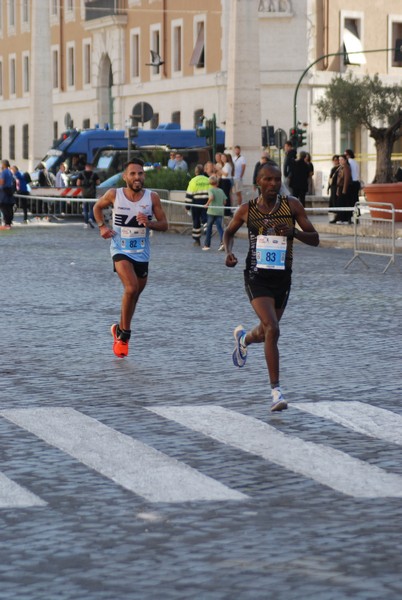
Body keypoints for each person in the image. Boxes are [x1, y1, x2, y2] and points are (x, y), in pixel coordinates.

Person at [223, 163, 319, 412]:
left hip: (282, 279)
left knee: (267, 332)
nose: (274, 184)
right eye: (268, 179)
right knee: (273, 328)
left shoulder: (292, 205)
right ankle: (276, 391)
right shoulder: (247, 209)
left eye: (277, 179)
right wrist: (229, 252)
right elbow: (229, 232)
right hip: (256, 277)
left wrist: (294, 233)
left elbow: (315, 238)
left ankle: (244, 338)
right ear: (258, 182)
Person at [92, 158, 168, 358]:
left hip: (142, 253)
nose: (137, 177)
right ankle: (124, 336)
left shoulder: (152, 198)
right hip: (120, 249)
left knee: (134, 296)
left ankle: (118, 329)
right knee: (131, 288)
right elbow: (96, 208)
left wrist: (149, 223)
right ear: (125, 177)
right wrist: (102, 227)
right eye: (133, 174)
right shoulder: (114, 194)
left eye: (140, 173)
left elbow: (165, 224)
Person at [185, 164, 210, 246]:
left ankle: (197, 240)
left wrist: (187, 207)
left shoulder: (193, 181)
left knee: (196, 221)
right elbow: (211, 192)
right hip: (206, 203)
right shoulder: (208, 180)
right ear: (203, 171)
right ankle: (207, 229)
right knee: (205, 218)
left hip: (196, 204)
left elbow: (189, 195)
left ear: (196, 172)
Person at [203, 175, 226, 251]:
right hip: (219, 211)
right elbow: (224, 201)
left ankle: (207, 245)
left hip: (212, 211)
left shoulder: (210, 190)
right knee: (220, 228)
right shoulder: (221, 191)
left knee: (209, 228)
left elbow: (211, 197)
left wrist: (207, 204)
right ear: (217, 182)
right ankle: (223, 243)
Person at [77, 163, 100, 229]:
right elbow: (98, 183)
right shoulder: (94, 174)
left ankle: (86, 223)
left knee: (85, 209)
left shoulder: (81, 174)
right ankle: (91, 218)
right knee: (92, 208)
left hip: (84, 193)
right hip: (92, 193)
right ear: (91, 167)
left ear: (85, 167)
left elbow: (78, 183)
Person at [336, 155, 353, 224]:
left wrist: (344, 189)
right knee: (340, 203)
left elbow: (346, 179)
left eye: (342, 160)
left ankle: (346, 219)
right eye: (339, 160)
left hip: (344, 188)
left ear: (345, 160)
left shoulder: (346, 167)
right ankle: (341, 218)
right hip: (340, 187)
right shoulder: (341, 167)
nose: (340, 161)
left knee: (345, 203)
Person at [0, 160, 16, 228]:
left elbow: (2, 182)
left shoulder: (4, 172)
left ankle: (6, 223)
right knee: (9, 207)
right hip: (9, 190)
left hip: (3, 191)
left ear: (3, 165)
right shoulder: (10, 172)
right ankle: (9, 223)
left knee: (4, 207)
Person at [327, 155, 340, 224]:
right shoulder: (333, 168)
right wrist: (328, 187)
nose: (335, 162)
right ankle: (333, 217)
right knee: (332, 202)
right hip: (332, 187)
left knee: (335, 202)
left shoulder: (339, 168)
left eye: (336, 160)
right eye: (334, 160)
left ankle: (336, 217)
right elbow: (330, 178)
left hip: (336, 187)